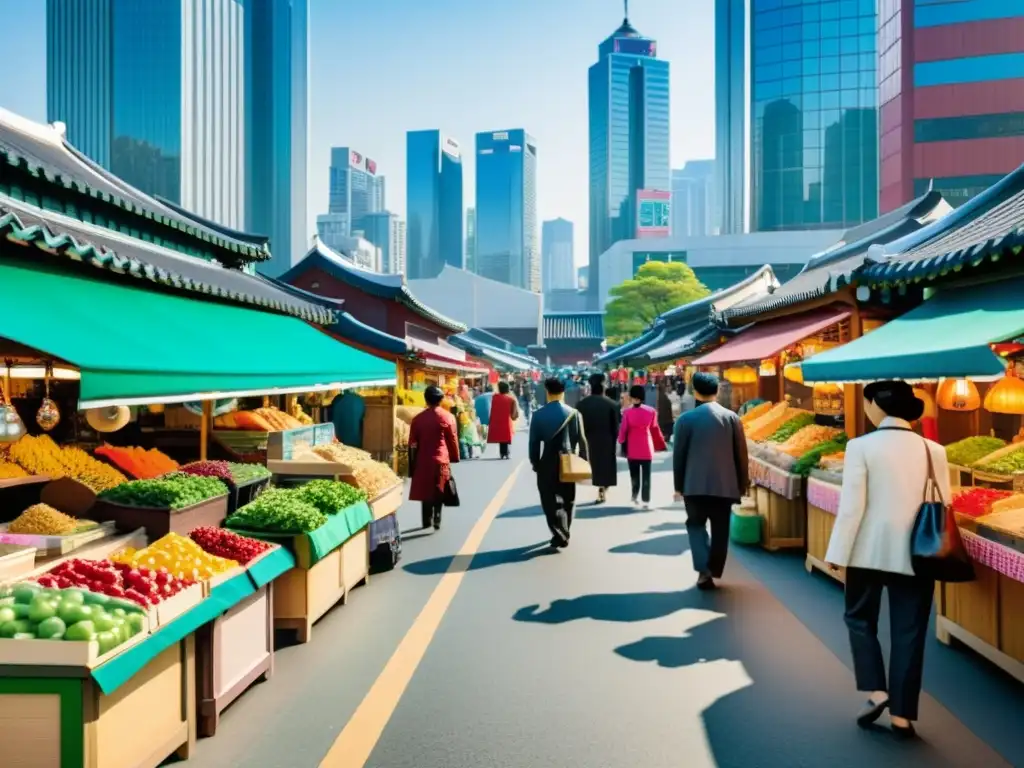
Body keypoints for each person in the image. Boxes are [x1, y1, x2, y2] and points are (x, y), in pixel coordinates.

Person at [825, 380, 951, 739]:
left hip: (868, 549)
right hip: (919, 552)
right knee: (910, 631)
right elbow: (946, 503)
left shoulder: (860, 446)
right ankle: (902, 716)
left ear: (876, 406)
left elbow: (852, 508)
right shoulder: (934, 450)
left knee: (858, 618)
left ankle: (877, 690)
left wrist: (837, 553)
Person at [672, 372, 748, 590]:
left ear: (695, 391)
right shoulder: (732, 418)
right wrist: (743, 484)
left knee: (695, 526)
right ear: (717, 391)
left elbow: (679, 456)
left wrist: (679, 486)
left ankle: (703, 571)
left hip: (693, 485)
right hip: (725, 485)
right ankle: (714, 568)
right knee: (721, 528)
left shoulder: (685, 420)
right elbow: (741, 455)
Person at [529, 378, 583, 549]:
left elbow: (534, 444)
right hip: (569, 461)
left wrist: (536, 463)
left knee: (549, 500)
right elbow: (582, 440)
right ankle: (565, 530)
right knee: (568, 499)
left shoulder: (538, 415)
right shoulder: (574, 413)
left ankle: (558, 533)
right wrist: (584, 461)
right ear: (563, 392)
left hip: (548, 462)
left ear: (547, 392)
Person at [408, 386, 460, 531]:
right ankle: (437, 516)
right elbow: (453, 440)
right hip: (441, 460)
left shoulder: (417, 419)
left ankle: (426, 520)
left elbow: (412, 443)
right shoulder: (448, 417)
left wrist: (411, 465)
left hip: (422, 460)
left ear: (426, 399)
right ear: (441, 399)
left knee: (426, 490)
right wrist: (455, 457)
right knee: (439, 489)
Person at [618, 384, 667, 508]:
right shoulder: (651, 411)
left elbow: (623, 430)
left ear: (632, 397)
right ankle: (646, 500)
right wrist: (661, 444)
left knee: (634, 475)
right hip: (646, 446)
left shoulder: (627, 412)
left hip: (632, 447)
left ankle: (634, 496)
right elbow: (655, 429)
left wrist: (621, 440)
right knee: (647, 475)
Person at [576, 372, 620, 504]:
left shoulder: (581, 404)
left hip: (588, 440)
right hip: (607, 440)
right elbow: (616, 426)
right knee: (605, 466)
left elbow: (578, 426)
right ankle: (602, 488)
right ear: (603, 387)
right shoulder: (612, 404)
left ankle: (600, 488)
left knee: (592, 465)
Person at [487, 381, 519, 459]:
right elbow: (514, 413)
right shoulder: (510, 399)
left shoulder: (494, 398)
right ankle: (506, 453)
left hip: (497, 421)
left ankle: (502, 453)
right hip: (507, 422)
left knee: (501, 438)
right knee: (506, 437)